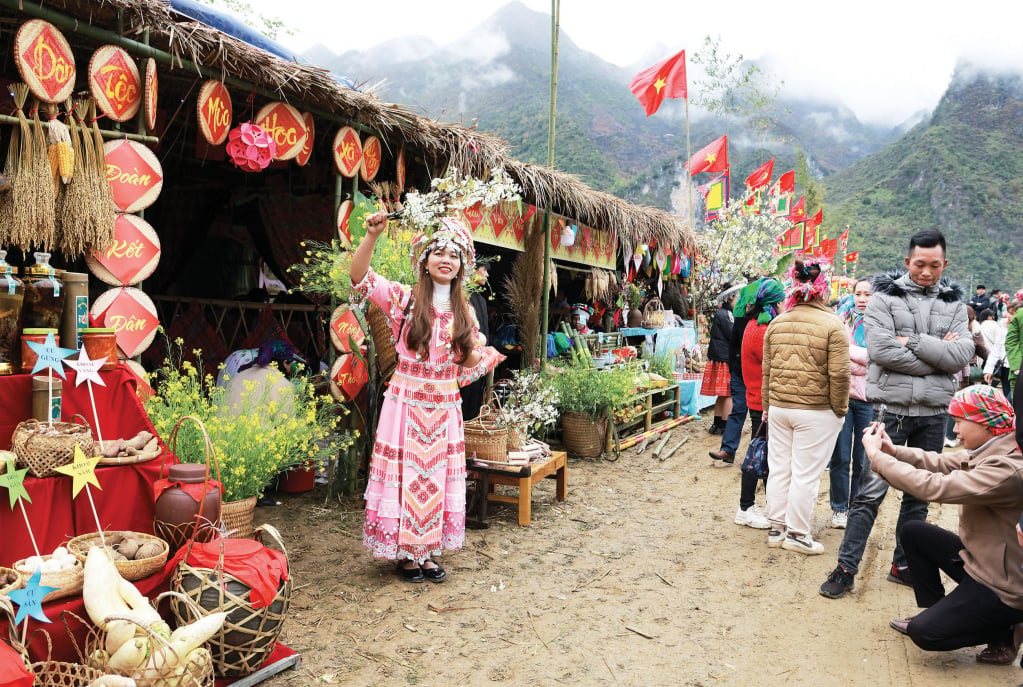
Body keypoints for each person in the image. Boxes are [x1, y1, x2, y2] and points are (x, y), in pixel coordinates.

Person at [350, 211, 504, 583]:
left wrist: (470, 348)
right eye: (438, 252)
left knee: (435, 476)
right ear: (424, 260)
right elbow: (360, 278)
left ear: (462, 265)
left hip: (443, 405)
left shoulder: (465, 311)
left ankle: (429, 550)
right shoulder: (403, 299)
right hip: (405, 401)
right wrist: (371, 236)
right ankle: (405, 554)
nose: (446, 259)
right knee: (406, 474)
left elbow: (465, 360)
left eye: (454, 254)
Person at [820, 228, 974, 599]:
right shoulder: (883, 299)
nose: (926, 272)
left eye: (934, 265)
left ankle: (902, 564)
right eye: (919, 264)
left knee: (918, 497)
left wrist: (914, 343)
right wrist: (938, 358)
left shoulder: (954, 304)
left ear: (944, 264)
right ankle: (846, 567)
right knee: (870, 492)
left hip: (935, 414)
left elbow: (962, 355)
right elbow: (881, 351)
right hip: (890, 412)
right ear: (908, 262)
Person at [866, 385, 1023, 665]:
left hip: (1003, 586)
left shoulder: (1006, 469)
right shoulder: (993, 445)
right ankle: (943, 612)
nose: (955, 429)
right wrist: (893, 451)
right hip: (982, 563)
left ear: (985, 423)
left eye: (961, 421)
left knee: (924, 633)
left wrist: (878, 458)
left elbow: (933, 486)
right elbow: (940, 462)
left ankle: (1005, 629)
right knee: (914, 531)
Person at [762, 258, 850, 554]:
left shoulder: (777, 322)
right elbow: (839, 374)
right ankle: (798, 535)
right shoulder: (833, 324)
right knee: (805, 473)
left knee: (780, 468)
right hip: (815, 410)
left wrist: (766, 406)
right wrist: (840, 409)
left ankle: (776, 527)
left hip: (779, 407)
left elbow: (768, 371)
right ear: (822, 290)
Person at [733, 278, 785, 529]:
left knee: (764, 453)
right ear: (774, 303)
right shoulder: (762, 331)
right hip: (761, 402)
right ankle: (745, 507)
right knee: (758, 454)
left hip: (759, 399)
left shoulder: (755, 326)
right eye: (782, 299)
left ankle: (757, 505)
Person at [828, 277, 874, 529]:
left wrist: (850, 353)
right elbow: (836, 356)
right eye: (858, 293)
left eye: (868, 294)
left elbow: (878, 358)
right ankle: (838, 508)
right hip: (843, 396)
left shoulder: (881, 324)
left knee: (862, 458)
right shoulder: (841, 320)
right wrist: (862, 360)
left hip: (868, 400)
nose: (862, 298)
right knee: (841, 456)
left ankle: (856, 505)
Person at [702, 284, 738, 436]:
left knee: (723, 394)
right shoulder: (726, 315)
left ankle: (717, 424)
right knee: (729, 393)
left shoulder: (722, 313)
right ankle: (724, 425)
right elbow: (732, 334)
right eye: (737, 297)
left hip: (719, 355)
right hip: (724, 357)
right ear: (730, 298)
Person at [460, 263, 491, 422]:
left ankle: (470, 432)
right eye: (484, 270)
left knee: (475, 395)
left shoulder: (481, 300)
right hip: (464, 358)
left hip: (479, 357)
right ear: (472, 269)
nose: (486, 275)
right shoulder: (461, 295)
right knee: (463, 396)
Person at [984, 300, 1018, 398]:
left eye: (1011, 313)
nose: (1008, 316)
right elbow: (996, 349)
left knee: (1012, 398)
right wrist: (988, 370)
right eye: (1008, 313)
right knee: (1008, 395)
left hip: (1017, 369)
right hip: (1005, 367)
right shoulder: (1003, 328)